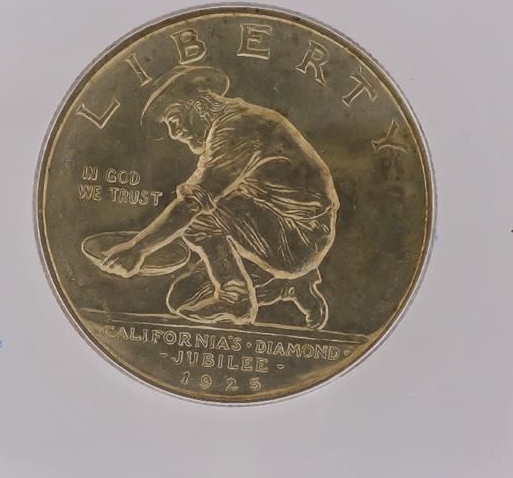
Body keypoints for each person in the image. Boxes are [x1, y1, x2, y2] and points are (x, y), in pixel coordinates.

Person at [94, 65, 339, 328]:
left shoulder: (238, 128)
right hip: (281, 230)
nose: (174, 133)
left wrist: (137, 249)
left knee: (195, 211)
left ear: (198, 106)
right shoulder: (235, 121)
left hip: (299, 237)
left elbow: (192, 203)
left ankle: (237, 298)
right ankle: (286, 287)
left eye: (174, 119)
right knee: (180, 299)